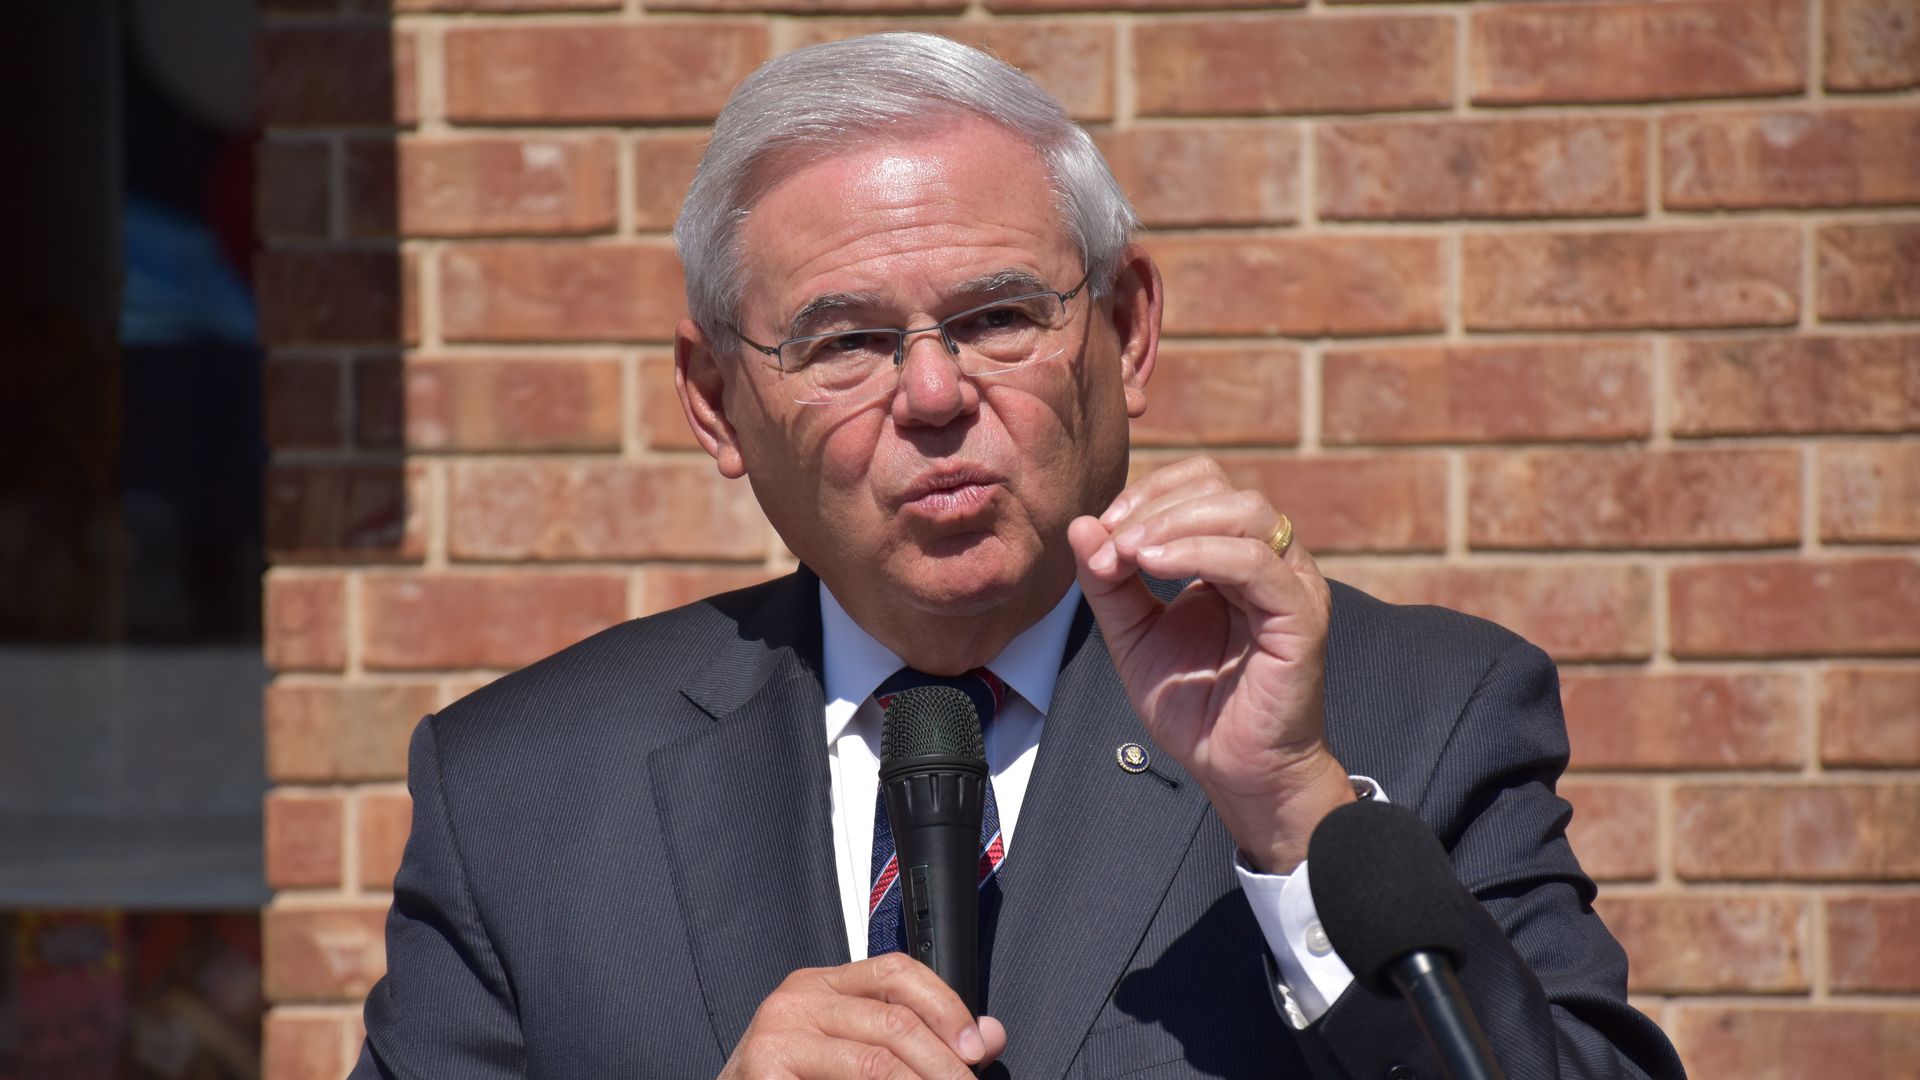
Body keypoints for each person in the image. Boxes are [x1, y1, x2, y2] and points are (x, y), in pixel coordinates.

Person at [349, 32, 1684, 1080]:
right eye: (846, 339)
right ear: (716, 404)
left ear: (1128, 332)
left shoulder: (1411, 716)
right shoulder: (519, 795)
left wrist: (1294, 820)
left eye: (996, 317)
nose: (931, 395)